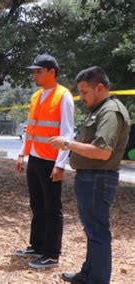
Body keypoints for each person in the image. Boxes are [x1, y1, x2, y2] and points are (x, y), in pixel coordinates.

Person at [50, 66, 130, 284]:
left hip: (98, 179)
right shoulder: (100, 109)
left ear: (100, 88)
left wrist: (68, 144)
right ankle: (89, 274)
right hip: (91, 178)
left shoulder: (110, 112)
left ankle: (98, 279)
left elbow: (103, 152)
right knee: (92, 230)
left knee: (98, 232)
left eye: (85, 92)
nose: (82, 98)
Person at [15, 54, 74, 269]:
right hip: (35, 159)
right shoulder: (36, 96)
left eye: (38, 71)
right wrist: (23, 153)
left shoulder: (63, 96)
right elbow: (31, 128)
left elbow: (67, 133)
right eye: (34, 71)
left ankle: (51, 254)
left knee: (52, 208)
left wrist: (60, 164)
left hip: (51, 162)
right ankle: (37, 245)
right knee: (37, 205)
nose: (35, 75)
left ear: (52, 72)